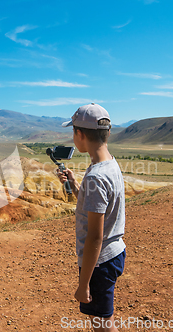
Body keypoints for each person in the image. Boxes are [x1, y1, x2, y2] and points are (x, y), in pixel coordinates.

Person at [57, 103, 126, 332]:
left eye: (73, 132)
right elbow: (95, 207)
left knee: (102, 326)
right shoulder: (108, 164)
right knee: (104, 321)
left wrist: (83, 284)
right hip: (112, 253)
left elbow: (95, 237)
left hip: (100, 262)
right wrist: (75, 185)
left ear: (80, 134)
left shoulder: (96, 177)